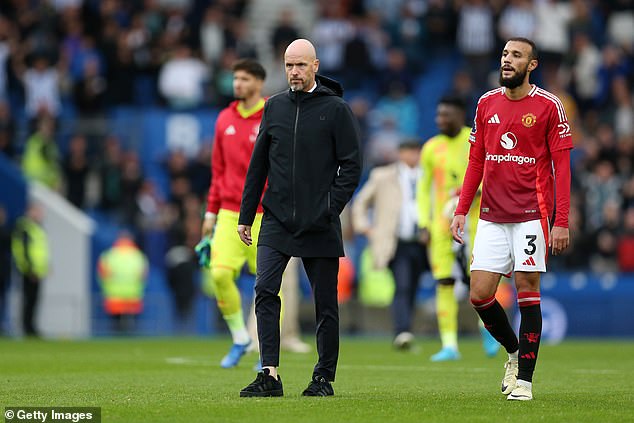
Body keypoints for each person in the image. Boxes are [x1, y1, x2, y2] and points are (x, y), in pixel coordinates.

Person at [237, 39, 361, 397]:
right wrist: (247, 215)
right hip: (276, 218)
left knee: (325, 303)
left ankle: (323, 377)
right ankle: (269, 374)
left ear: (315, 66)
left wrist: (328, 207)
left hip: (319, 221)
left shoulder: (336, 110)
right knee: (264, 290)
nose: (293, 72)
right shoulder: (273, 107)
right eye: (289, 65)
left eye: (300, 65)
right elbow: (258, 164)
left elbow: (352, 167)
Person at [451, 37, 572, 401]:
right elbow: (476, 161)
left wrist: (560, 220)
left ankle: (525, 381)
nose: (507, 60)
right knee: (479, 296)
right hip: (490, 214)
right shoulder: (486, 103)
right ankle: (514, 352)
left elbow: (561, 167)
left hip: (531, 215)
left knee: (527, 291)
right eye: (505, 54)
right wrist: (461, 209)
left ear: (531, 65)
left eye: (516, 55)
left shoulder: (550, 106)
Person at [417, 96, 499, 361]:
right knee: (444, 282)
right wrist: (423, 222)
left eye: (446, 115)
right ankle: (449, 344)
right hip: (441, 225)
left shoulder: (475, 140)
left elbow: (491, 175)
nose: (441, 119)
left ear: (460, 115)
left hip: (474, 223)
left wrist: (474, 193)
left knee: (479, 283)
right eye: (439, 115)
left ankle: (488, 330)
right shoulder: (431, 148)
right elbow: (423, 188)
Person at [200, 58, 267, 368]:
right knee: (219, 273)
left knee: (267, 285)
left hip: (265, 213)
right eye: (235, 78)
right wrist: (209, 214)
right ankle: (241, 338)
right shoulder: (224, 118)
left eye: (244, 79)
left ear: (258, 83)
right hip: (229, 211)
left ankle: (267, 352)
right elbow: (218, 171)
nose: (237, 84)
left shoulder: (271, 115)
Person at [351, 140, 429, 350]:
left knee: (413, 286)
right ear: (401, 153)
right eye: (409, 151)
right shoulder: (383, 175)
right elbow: (360, 201)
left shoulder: (428, 175)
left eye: (416, 151)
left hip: (424, 242)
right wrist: (365, 227)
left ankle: (406, 330)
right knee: (402, 285)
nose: (413, 155)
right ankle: (402, 331)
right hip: (397, 241)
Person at [97, 232, 148, 334]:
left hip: (114, 296)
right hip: (133, 296)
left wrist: (106, 289)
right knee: (132, 328)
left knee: (116, 329)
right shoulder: (138, 256)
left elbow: (102, 275)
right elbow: (143, 276)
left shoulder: (108, 255)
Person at [11, 203, 49, 337]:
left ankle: (31, 327)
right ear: (30, 212)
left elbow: (39, 251)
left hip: (37, 271)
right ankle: (27, 328)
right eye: (37, 212)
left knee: (34, 300)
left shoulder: (36, 228)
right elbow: (23, 251)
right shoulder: (25, 228)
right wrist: (29, 269)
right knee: (29, 300)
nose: (40, 215)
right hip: (29, 271)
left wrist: (44, 267)